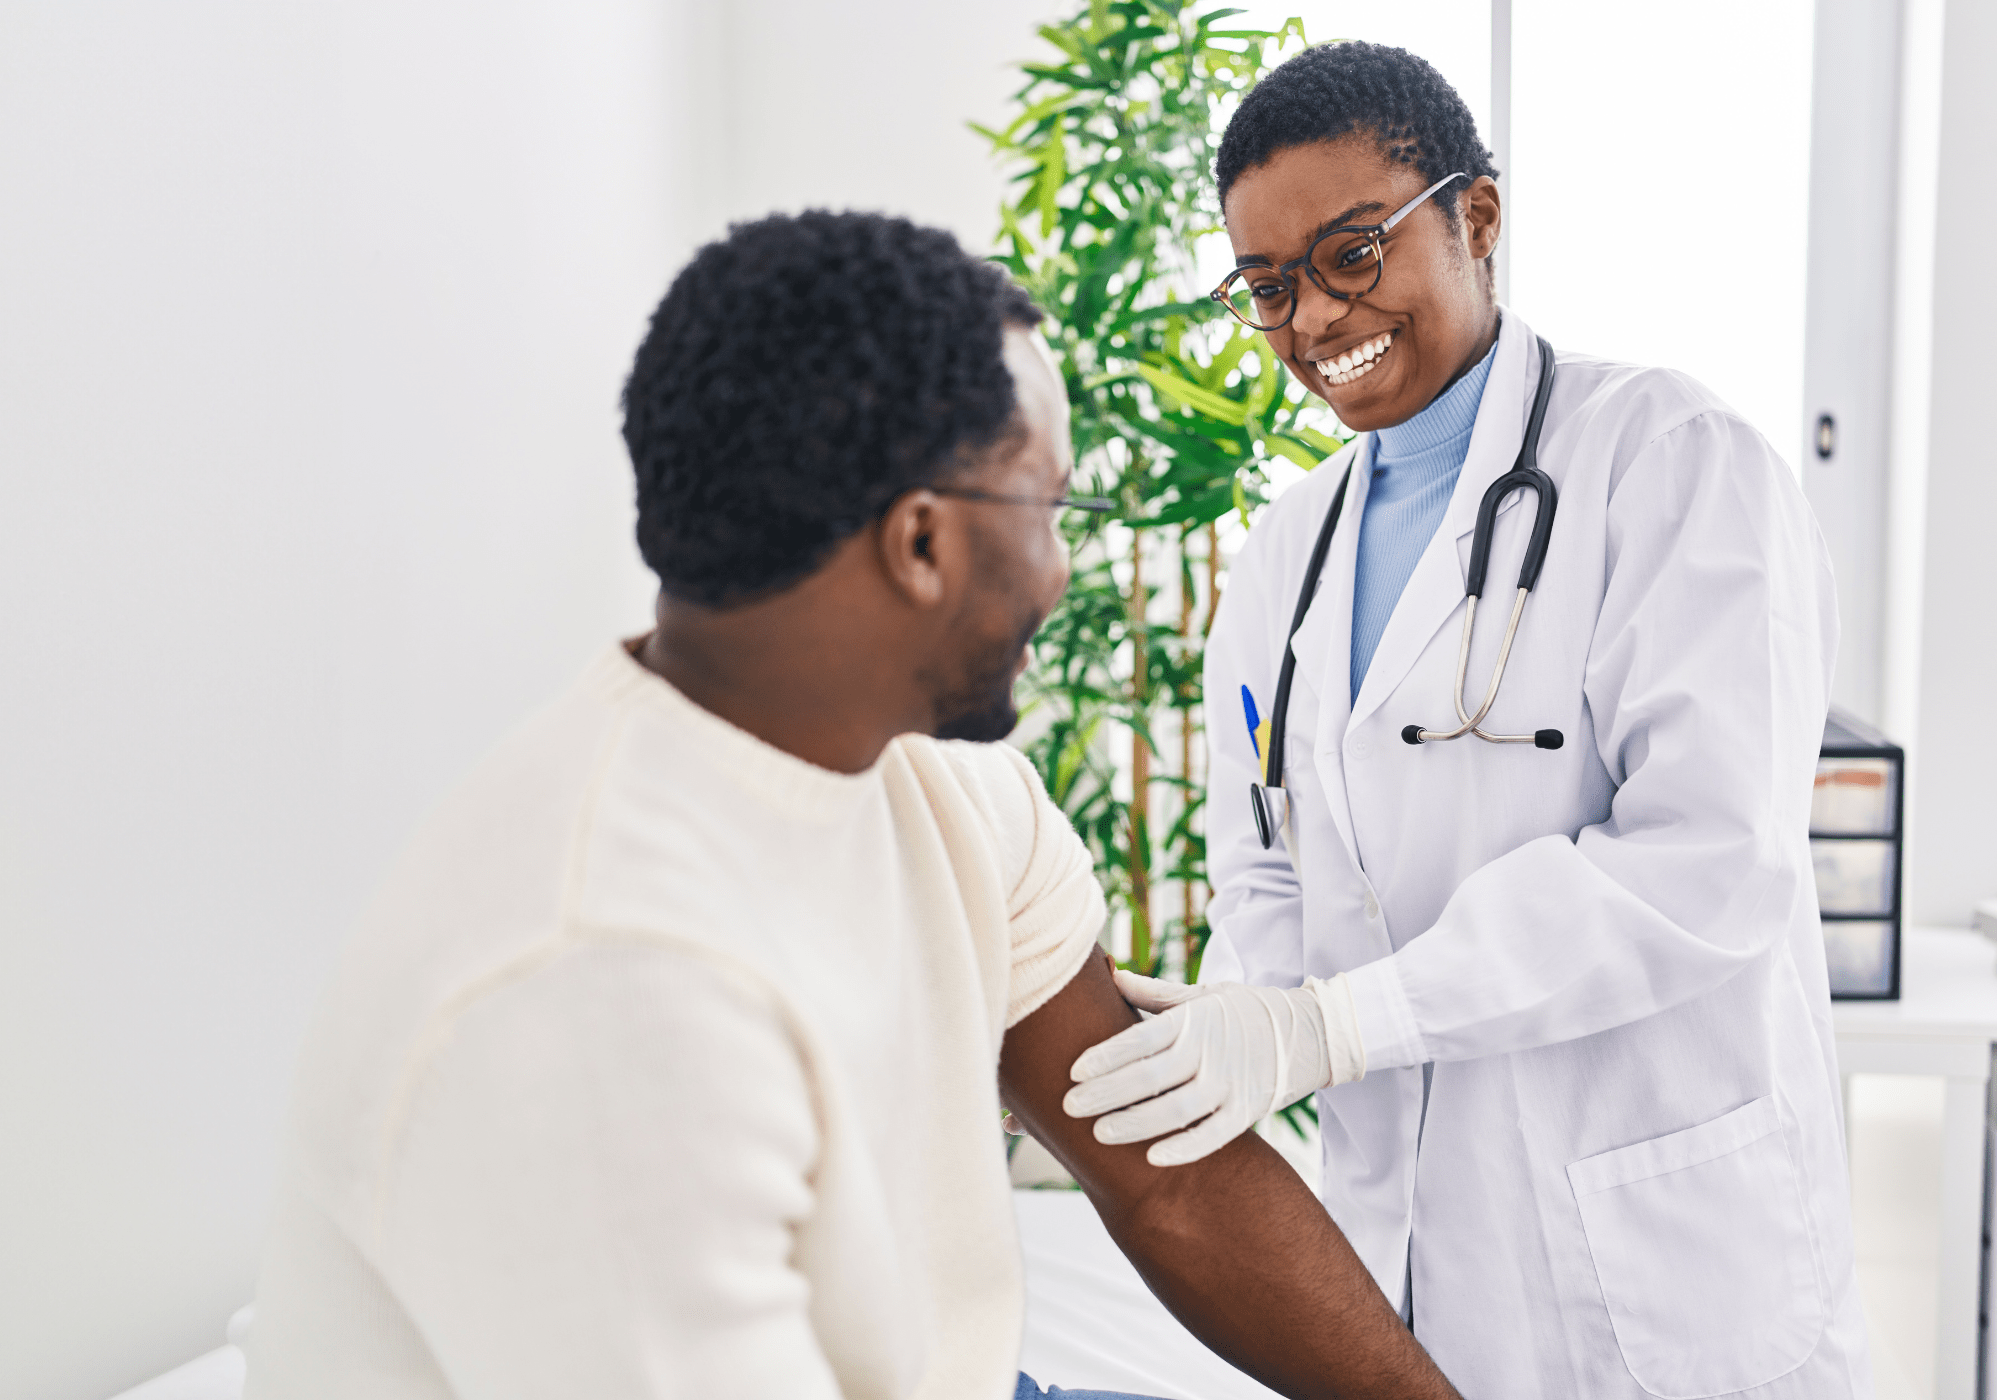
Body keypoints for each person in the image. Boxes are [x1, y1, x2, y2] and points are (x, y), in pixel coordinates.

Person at [246, 211, 1461, 1398]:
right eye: (1050, 510)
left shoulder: (948, 792)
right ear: (920, 544)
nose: (1063, 567)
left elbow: (1167, 1176)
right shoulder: (606, 979)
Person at [1058, 42, 1872, 1399]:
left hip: (1666, 1257)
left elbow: (1705, 864)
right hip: (1409, 1255)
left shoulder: (1672, 463)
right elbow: (1267, 859)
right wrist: (1250, 1017)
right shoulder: (1287, 555)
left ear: (1475, 218)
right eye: (1267, 287)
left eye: (1351, 253)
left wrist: (1345, 1024)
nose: (1313, 319)